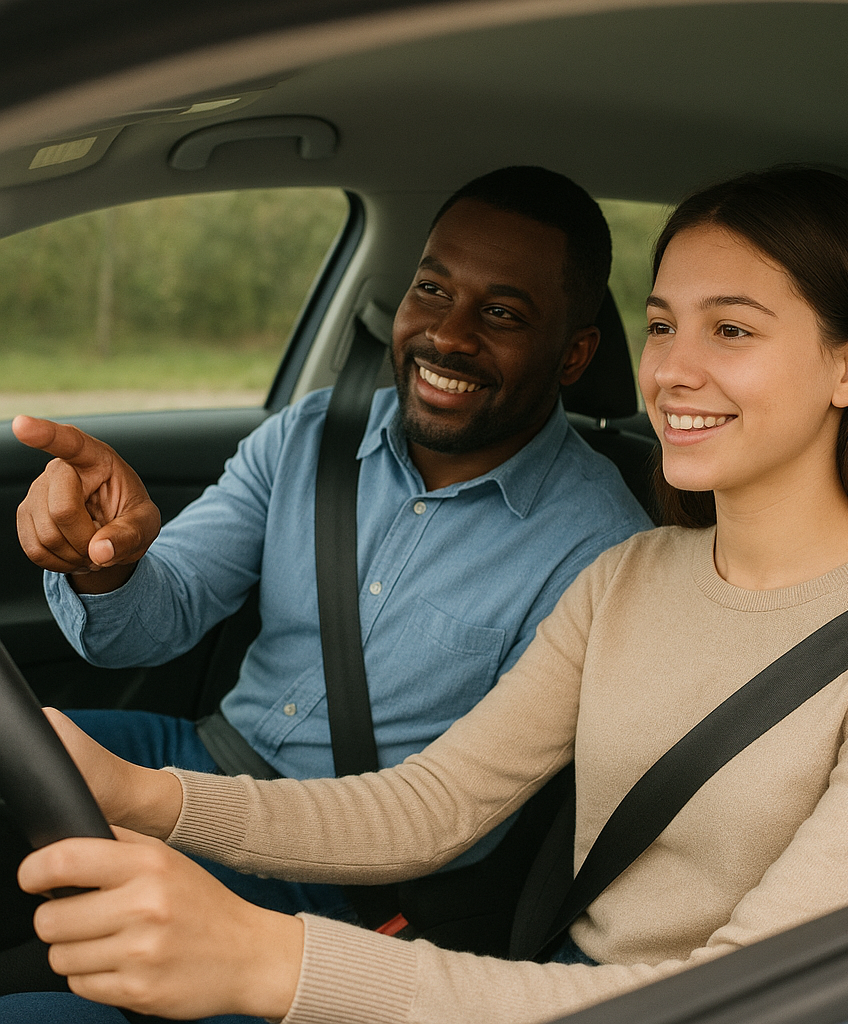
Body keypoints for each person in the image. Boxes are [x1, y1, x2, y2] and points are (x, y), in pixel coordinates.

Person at [4, 166, 848, 1024]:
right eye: (663, 324)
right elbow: (434, 804)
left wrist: (275, 958)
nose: (672, 370)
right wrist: (149, 796)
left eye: (733, 330)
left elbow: (758, 993)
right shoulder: (632, 576)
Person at [0, 167, 652, 973]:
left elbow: (461, 814)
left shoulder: (604, 547)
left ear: (574, 354)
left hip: (350, 873)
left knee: (40, 980)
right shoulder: (311, 433)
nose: (448, 335)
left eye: (503, 313)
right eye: (431, 291)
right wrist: (107, 566)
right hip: (202, 754)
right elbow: (154, 623)